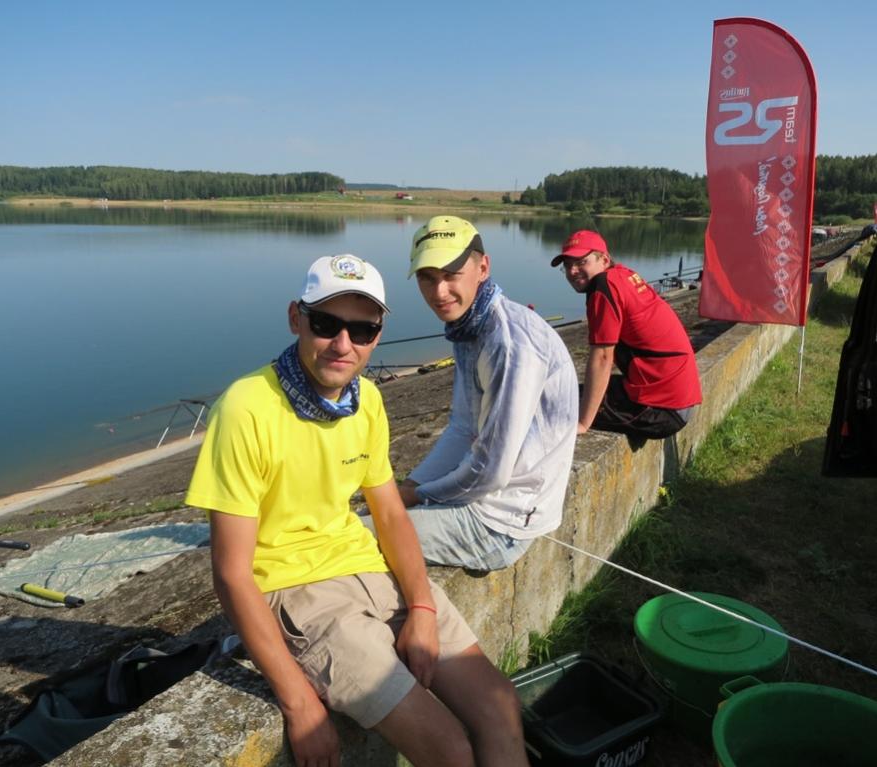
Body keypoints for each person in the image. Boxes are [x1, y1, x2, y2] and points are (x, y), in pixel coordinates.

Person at [186, 254, 528, 767]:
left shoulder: (365, 400)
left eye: (363, 330)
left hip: (369, 569)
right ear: (296, 318)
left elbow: (389, 515)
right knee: (450, 748)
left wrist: (422, 607)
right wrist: (299, 703)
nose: (343, 344)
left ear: (378, 334)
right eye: (326, 324)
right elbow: (232, 572)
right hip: (299, 592)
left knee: (501, 707)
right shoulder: (245, 408)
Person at [387, 216, 578, 571]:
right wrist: (411, 484)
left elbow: (492, 472)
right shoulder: (470, 325)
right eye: (427, 277)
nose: (439, 292)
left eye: (451, 274)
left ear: (483, 268)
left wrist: (415, 494)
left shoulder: (509, 343)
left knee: (351, 539)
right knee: (374, 516)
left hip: (502, 523)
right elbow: (463, 427)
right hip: (487, 501)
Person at [551, 229, 702, 440]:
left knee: (553, 404)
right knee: (566, 392)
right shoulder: (622, 275)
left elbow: (603, 357)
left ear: (604, 259)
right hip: (675, 398)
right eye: (567, 265)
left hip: (661, 409)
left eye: (581, 262)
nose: (572, 271)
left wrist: (584, 422)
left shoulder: (603, 287)